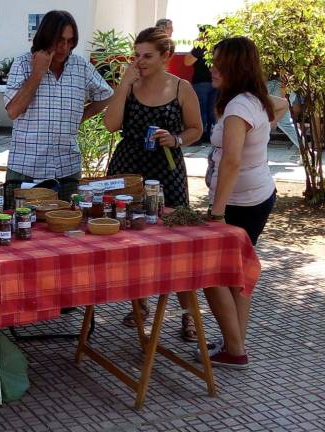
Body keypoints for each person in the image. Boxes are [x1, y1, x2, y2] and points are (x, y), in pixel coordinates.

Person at [104, 27, 203, 341]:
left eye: (147, 56)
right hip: (128, 170)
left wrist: (175, 139)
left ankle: (188, 315)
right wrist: (123, 86)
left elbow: (196, 129)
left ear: (166, 56)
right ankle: (141, 306)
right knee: (133, 240)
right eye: (137, 55)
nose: (140, 61)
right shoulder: (130, 85)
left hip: (166, 170)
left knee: (178, 242)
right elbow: (111, 125)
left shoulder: (181, 87)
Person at [200, 36, 288, 368]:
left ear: (235, 66)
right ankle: (233, 342)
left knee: (212, 275)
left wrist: (217, 212)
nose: (213, 67)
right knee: (235, 275)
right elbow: (279, 103)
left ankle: (235, 349)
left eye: (219, 61)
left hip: (240, 202)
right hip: (256, 195)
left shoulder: (239, 106)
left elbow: (232, 161)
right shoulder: (252, 100)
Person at [4, 10, 112, 206]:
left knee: (67, 228)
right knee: (20, 229)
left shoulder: (80, 66)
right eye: (59, 40)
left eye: (70, 41)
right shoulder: (22, 64)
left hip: (66, 167)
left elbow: (105, 96)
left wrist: (79, 117)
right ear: (46, 37)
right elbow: (12, 111)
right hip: (26, 167)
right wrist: (37, 73)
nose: (65, 47)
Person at [184, 26, 217, 143]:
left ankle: (197, 137)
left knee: (200, 110)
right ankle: (211, 136)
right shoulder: (217, 47)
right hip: (216, 82)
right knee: (212, 111)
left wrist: (196, 46)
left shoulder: (201, 47)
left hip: (201, 82)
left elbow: (187, 61)